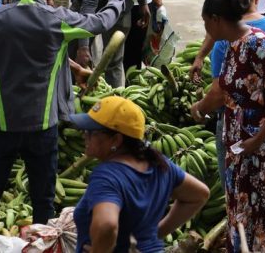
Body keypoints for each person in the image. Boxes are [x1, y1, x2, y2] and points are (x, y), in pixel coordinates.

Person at [0, 0, 125, 231]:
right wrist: (116, 0)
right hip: (41, 127)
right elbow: (99, 22)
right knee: (43, 200)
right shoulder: (57, 19)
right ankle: (43, 245)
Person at [191, 0, 265, 251]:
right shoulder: (231, 46)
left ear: (216, 20)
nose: (206, 30)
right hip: (244, 148)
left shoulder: (259, 44)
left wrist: (258, 137)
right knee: (244, 217)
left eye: (206, 23)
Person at [71, 96, 209, 253]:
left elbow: (107, 225)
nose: (84, 135)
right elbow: (199, 195)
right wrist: (156, 234)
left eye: (91, 132)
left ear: (116, 140)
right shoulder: (159, 164)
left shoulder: (107, 176)